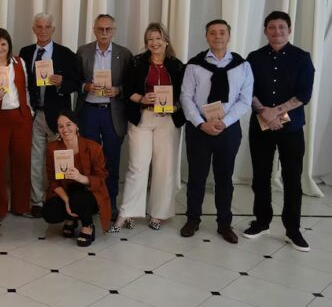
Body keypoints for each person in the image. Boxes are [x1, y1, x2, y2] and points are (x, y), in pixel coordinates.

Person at [244, 11, 314, 251]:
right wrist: (264, 112)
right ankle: (262, 222)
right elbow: (247, 89)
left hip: (291, 127)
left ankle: (293, 230)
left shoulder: (302, 58)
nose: (277, 32)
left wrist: (276, 112)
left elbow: (304, 94)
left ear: (289, 30)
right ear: (265, 31)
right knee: (260, 176)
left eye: (282, 27)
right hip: (261, 125)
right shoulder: (254, 58)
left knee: (292, 178)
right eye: (272, 27)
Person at [180, 19, 253, 244]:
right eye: (213, 33)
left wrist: (225, 122)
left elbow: (245, 100)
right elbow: (186, 97)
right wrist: (201, 123)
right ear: (206, 37)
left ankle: (224, 223)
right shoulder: (194, 65)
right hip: (199, 129)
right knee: (196, 177)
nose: (218, 36)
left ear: (228, 36)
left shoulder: (242, 65)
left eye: (222, 32)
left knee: (224, 178)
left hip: (228, 129)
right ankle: (193, 219)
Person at [109, 23, 185, 233]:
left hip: (167, 120)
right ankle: (128, 213)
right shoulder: (136, 62)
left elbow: (184, 95)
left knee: (164, 168)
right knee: (137, 166)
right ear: (146, 42)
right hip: (142, 118)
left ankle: (158, 213)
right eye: (150, 39)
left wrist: (174, 106)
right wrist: (142, 98)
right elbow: (127, 91)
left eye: (158, 38)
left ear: (166, 41)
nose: (154, 42)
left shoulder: (177, 65)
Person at [19, 13, 78, 218]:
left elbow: (76, 83)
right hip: (35, 114)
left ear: (53, 29)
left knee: (59, 159)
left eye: (47, 27)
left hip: (58, 117)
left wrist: (62, 83)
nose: (43, 31)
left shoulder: (66, 54)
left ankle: (58, 198)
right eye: (39, 26)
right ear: (34, 29)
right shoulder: (25, 52)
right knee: (35, 160)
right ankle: (37, 201)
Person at [75, 14, 132, 219]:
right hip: (89, 111)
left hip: (112, 112)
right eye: (100, 29)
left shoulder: (124, 54)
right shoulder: (83, 52)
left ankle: (110, 202)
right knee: (88, 159)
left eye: (108, 29)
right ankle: (89, 202)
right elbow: (74, 80)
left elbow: (131, 85)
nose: (104, 33)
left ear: (114, 31)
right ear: (94, 30)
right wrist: (86, 86)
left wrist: (118, 90)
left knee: (111, 160)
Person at [0, 28, 33, 221]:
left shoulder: (19, 63)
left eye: (3, 44)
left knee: (22, 162)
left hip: (20, 117)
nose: (0, 48)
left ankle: (21, 206)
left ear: (9, 45)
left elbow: (25, 89)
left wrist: (29, 111)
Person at [43, 110, 110, 247]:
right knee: (49, 212)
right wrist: (66, 200)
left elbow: (101, 179)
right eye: (60, 126)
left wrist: (81, 178)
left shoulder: (93, 147)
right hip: (66, 191)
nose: (65, 130)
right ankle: (71, 218)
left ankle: (87, 225)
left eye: (69, 125)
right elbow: (52, 180)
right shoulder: (52, 148)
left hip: (88, 192)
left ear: (76, 126)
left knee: (79, 197)